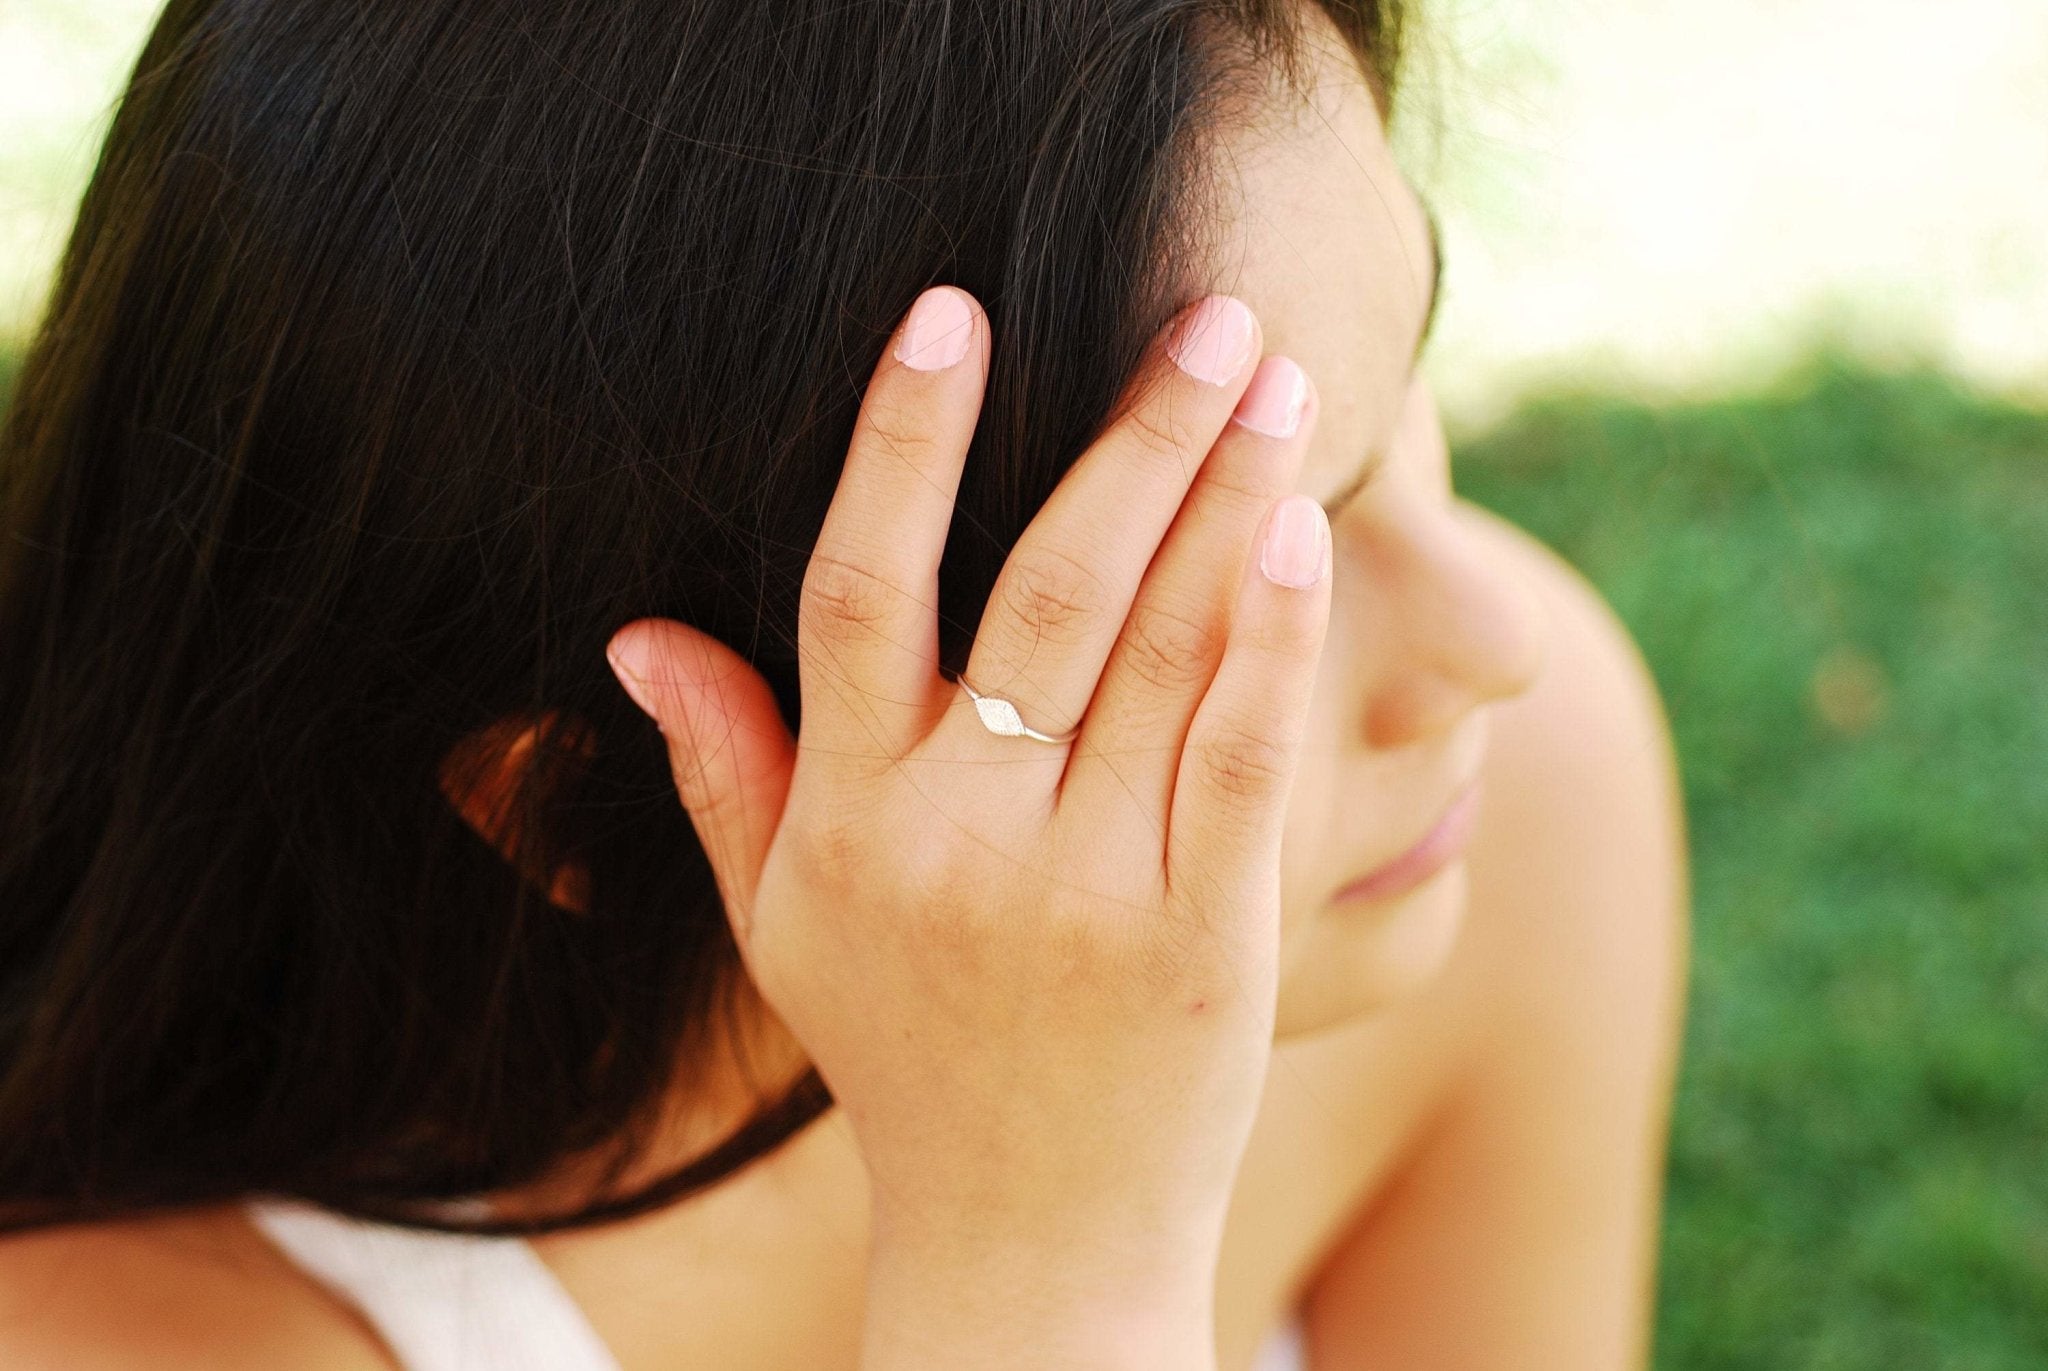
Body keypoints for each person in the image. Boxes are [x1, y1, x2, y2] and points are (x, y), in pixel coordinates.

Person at [0, 0, 1689, 1366]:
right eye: (1233, 585)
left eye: (1403, 409)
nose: (1497, 640)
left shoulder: (1508, 805)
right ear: (582, 798)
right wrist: (1046, 1274)